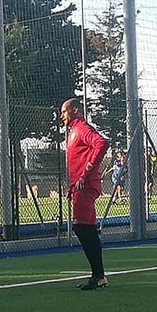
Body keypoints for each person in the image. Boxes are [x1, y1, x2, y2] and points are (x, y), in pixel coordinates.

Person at [61, 98, 110, 290]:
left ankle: (98, 274)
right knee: (86, 228)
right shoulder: (74, 131)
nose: (61, 116)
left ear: (74, 110)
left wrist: (86, 172)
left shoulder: (81, 128)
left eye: (64, 112)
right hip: (79, 186)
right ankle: (98, 276)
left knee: (81, 228)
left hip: (85, 186)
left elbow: (102, 143)